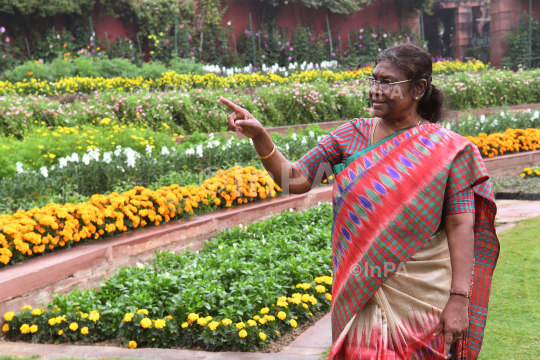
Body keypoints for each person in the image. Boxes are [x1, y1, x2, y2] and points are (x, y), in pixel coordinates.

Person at [219, 43, 499, 360]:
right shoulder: (350, 136)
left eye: (387, 82)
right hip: (359, 294)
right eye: (373, 80)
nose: (375, 90)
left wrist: (459, 298)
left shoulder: (448, 151)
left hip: (421, 298)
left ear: (419, 88)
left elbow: (460, 223)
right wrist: (260, 136)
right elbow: (294, 181)